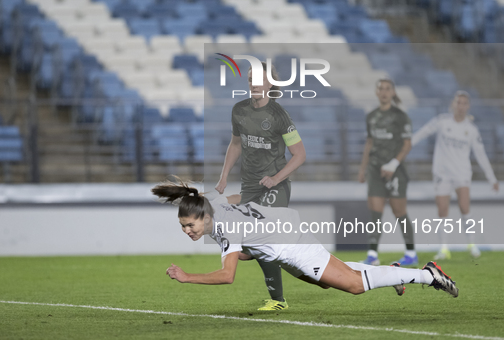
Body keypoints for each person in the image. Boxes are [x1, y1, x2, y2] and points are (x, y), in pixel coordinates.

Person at [152, 179, 459, 300]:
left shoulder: (224, 227)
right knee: (328, 280)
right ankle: (389, 273)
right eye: (182, 226)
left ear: (204, 218)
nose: (187, 231)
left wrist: (187, 277)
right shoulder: (212, 206)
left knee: (353, 285)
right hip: (282, 244)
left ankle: (427, 274)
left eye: (190, 224)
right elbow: (217, 197)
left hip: (293, 242)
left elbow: (227, 275)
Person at [215, 61, 306, 311]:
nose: (254, 84)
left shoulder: (279, 115)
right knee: (251, 249)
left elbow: (299, 155)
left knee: (261, 238)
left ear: (270, 84)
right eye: (251, 79)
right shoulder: (239, 110)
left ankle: (278, 300)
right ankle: (288, 282)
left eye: (260, 79)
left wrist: (276, 178)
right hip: (250, 187)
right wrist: (223, 177)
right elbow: (235, 145)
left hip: (275, 188)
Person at [411, 90, 499, 259]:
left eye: (464, 103)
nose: (461, 106)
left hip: (462, 173)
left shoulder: (471, 129)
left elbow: (480, 154)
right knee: (442, 210)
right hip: (442, 173)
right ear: (453, 104)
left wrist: (491, 178)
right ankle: (443, 248)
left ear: (468, 106)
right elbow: (423, 132)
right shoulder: (442, 121)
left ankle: (472, 244)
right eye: (458, 102)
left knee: (465, 208)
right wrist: (408, 144)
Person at [358, 78, 416, 266]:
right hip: (375, 169)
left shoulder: (400, 116)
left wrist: (393, 164)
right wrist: (363, 168)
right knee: (375, 212)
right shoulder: (371, 116)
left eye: (387, 89)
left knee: (399, 211)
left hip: (395, 170)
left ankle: (410, 252)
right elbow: (369, 143)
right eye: (380, 89)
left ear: (393, 92)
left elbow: (407, 144)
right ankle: (372, 255)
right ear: (376, 92)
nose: (383, 92)